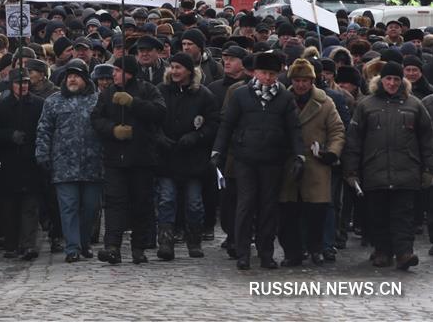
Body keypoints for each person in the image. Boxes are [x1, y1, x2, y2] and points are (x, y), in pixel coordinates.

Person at [211, 50, 304, 270]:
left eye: (272, 74)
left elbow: (294, 129)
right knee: (245, 205)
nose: (268, 78)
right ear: (255, 73)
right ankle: (243, 252)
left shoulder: (284, 97)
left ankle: (266, 253)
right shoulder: (241, 95)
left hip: (273, 159)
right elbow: (227, 125)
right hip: (246, 158)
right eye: (264, 73)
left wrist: (299, 154)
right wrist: (217, 151)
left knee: (268, 208)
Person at [343, 61, 433, 270]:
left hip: (406, 171)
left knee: (404, 216)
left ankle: (404, 253)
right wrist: (351, 171)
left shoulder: (414, 105)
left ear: (401, 81)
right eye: (388, 79)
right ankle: (382, 251)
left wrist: (429, 168)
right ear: (381, 80)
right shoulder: (366, 105)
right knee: (378, 214)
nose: (392, 83)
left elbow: (427, 139)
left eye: (396, 79)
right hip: (375, 170)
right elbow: (354, 140)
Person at [90, 55, 166, 265]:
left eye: (117, 70)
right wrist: (112, 130)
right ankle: (112, 246)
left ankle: (139, 247)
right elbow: (96, 119)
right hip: (115, 158)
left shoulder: (148, 89)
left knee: (141, 203)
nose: (112, 75)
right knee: (114, 203)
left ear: (129, 72)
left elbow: (159, 113)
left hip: (142, 158)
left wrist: (134, 103)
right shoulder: (107, 94)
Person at [278, 58, 345, 267]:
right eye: (297, 80)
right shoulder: (282, 100)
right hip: (288, 163)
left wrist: (332, 152)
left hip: (316, 163)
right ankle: (292, 252)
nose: (301, 84)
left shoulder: (325, 103)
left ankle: (315, 248)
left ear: (312, 81)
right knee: (288, 212)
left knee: (316, 211)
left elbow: (337, 130)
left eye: (305, 80)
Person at [36, 59, 102, 263]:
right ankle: (72, 247)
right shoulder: (53, 101)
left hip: (93, 164)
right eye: (68, 76)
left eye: (76, 75)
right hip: (64, 165)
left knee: (91, 208)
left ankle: (84, 243)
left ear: (85, 79)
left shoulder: (98, 100)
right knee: (69, 207)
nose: (72, 79)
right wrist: (42, 153)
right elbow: (44, 129)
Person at [155, 52, 219, 260]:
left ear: (189, 71)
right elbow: (152, 121)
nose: (174, 71)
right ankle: (165, 241)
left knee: (194, 203)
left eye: (178, 68)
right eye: (172, 67)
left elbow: (212, 124)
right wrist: (160, 137)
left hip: (193, 160)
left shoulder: (203, 95)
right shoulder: (161, 91)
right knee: (166, 200)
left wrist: (196, 136)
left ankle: (194, 240)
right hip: (167, 158)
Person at [0, 68, 45, 260]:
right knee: (8, 206)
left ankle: (28, 244)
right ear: (12, 85)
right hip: (8, 162)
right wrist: (9, 136)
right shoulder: (1, 106)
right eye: (20, 83)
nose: (24, 86)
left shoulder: (38, 105)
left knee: (30, 205)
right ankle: (11, 243)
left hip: (31, 161)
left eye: (26, 82)